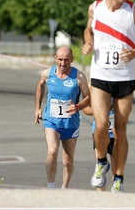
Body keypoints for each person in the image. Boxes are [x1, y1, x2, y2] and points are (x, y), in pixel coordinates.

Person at [82, 0, 135, 193]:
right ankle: (101, 162)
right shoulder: (94, 8)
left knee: (121, 130)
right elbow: (89, 30)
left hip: (124, 78)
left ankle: (119, 177)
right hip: (100, 77)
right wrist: (88, 42)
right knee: (102, 124)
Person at [34, 46, 90, 189]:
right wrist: (37, 108)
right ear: (55, 59)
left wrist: (78, 107)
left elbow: (89, 98)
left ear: (72, 60)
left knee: (67, 161)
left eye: (66, 60)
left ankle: (64, 188)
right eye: (60, 59)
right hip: (51, 121)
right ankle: (50, 187)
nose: (63, 63)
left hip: (71, 123)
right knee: (52, 151)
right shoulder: (47, 74)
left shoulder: (79, 77)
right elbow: (40, 86)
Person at [83, 84, 117, 192]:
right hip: (99, 132)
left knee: (116, 170)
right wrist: (101, 109)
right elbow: (86, 110)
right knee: (100, 169)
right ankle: (101, 199)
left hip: (115, 132)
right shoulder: (93, 86)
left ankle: (116, 196)